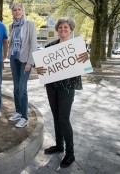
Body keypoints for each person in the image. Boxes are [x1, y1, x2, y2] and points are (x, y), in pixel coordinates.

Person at [35, 18, 88, 168]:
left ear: (71, 29)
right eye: (60, 27)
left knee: (64, 119)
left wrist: (85, 59)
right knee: (56, 116)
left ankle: (70, 153)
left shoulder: (77, 46)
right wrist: (39, 69)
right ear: (57, 29)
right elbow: (42, 67)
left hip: (67, 87)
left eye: (65, 27)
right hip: (52, 86)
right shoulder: (50, 46)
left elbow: (83, 65)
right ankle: (59, 146)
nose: (63, 29)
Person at [7, 3, 37, 128]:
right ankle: (18, 112)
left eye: (19, 9)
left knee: (22, 88)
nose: (17, 12)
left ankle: (25, 117)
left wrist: (30, 62)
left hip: (25, 60)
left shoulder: (30, 24)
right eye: (15, 10)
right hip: (14, 59)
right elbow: (12, 42)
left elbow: (33, 44)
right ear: (12, 12)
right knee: (16, 88)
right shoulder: (11, 25)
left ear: (23, 11)